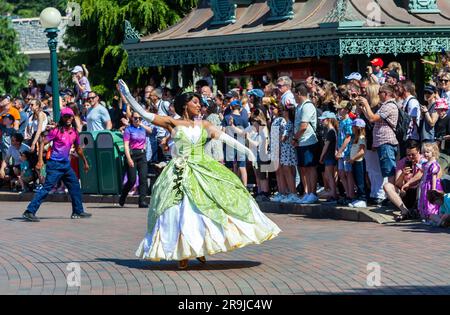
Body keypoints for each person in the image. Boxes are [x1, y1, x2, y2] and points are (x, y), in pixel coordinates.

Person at [118, 80, 280, 270]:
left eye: (199, 103)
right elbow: (145, 114)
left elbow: (225, 137)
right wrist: (128, 96)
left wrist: (247, 151)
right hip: (179, 171)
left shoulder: (203, 124)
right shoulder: (173, 122)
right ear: (185, 104)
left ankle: (200, 247)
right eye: (195, 102)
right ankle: (183, 251)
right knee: (180, 211)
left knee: (209, 206)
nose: (198, 105)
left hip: (203, 167)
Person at [22, 107, 92, 222]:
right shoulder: (57, 131)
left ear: (72, 117)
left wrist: (85, 162)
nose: (68, 118)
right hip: (55, 165)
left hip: (66, 166)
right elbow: (42, 141)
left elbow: (78, 149)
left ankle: (77, 211)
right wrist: (40, 160)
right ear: (62, 118)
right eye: (65, 116)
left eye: (70, 116)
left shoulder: (74, 132)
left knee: (74, 186)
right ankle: (29, 211)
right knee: (46, 189)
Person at [383, 140, 426, 222]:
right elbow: (398, 184)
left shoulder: (423, 161)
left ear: (418, 151)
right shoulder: (403, 162)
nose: (410, 157)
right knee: (387, 186)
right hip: (405, 193)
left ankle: (418, 210)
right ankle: (404, 210)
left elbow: (421, 173)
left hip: (419, 193)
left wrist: (408, 183)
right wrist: (403, 175)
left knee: (422, 183)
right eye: (408, 155)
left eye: (413, 155)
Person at [119, 111, 153, 208]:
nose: (137, 120)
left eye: (139, 118)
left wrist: (141, 124)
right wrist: (129, 158)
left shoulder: (142, 128)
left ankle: (142, 201)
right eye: (135, 118)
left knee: (143, 178)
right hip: (132, 154)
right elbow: (126, 145)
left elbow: (150, 131)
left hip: (142, 155)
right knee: (132, 180)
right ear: (131, 118)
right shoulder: (128, 130)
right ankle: (123, 196)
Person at [292, 82, 319, 204]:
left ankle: (312, 193)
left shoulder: (307, 106)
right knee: (303, 168)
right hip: (301, 142)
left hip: (308, 141)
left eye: (294, 95)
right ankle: (307, 192)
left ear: (298, 93)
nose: (294, 97)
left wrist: (295, 138)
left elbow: (303, 126)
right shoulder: (299, 106)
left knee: (310, 168)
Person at [335, 100, 355, 205]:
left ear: (347, 110)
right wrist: (337, 149)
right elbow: (339, 137)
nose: (339, 110)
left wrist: (341, 150)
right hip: (340, 150)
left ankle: (351, 194)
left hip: (346, 151)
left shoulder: (349, 122)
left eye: (340, 108)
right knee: (341, 173)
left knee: (348, 173)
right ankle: (347, 193)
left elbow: (348, 137)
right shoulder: (341, 121)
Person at [417, 142, 443, 221]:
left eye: (428, 152)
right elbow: (424, 174)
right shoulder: (426, 163)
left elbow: (434, 177)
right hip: (425, 184)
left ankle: (431, 215)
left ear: (433, 152)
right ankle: (425, 215)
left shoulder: (434, 164)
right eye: (424, 152)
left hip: (431, 184)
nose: (425, 154)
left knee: (430, 200)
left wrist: (434, 188)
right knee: (424, 199)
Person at [318, 111, 338, 203]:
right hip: (330, 156)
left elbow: (326, 146)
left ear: (329, 120)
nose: (322, 122)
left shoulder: (331, 131)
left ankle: (333, 195)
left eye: (323, 120)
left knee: (329, 176)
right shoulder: (332, 131)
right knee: (329, 176)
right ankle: (332, 194)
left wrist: (321, 156)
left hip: (329, 156)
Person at [348, 119, 367, 208]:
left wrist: (353, 158)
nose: (352, 128)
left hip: (359, 162)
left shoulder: (361, 137)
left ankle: (362, 199)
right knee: (356, 179)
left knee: (360, 181)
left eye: (353, 126)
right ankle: (359, 197)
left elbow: (362, 151)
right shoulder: (355, 138)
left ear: (358, 128)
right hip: (355, 161)